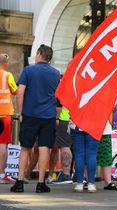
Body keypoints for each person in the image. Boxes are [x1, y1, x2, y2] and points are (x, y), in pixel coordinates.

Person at [10, 44, 60, 193]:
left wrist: (20, 112)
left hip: (30, 115)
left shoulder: (28, 70)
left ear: (39, 54)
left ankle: (19, 182)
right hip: (48, 116)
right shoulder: (56, 73)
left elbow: (20, 93)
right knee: (45, 147)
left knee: (25, 147)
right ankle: (41, 183)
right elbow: (58, 96)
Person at [0, 53, 17, 183]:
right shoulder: (7, 75)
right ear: (5, 63)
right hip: (5, 115)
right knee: (2, 144)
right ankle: (1, 174)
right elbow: (15, 90)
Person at [70, 122, 99, 193]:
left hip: (76, 125)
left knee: (79, 155)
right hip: (94, 125)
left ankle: (79, 183)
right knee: (92, 154)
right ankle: (91, 184)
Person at [47, 106, 73, 184]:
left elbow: (60, 104)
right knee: (72, 146)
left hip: (64, 118)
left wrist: (57, 118)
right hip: (74, 117)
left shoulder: (63, 93)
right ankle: (77, 175)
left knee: (64, 146)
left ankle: (66, 175)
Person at [97, 120, 117, 191]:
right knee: (88, 154)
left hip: (104, 128)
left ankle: (108, 181)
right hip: (87, 128)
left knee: (106, 154)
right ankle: (87, 180)